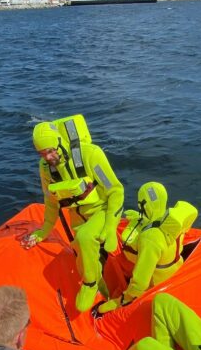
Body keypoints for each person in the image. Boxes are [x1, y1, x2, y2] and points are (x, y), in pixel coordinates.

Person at [20, 117, 124, 312]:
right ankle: (105, 293)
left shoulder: (91, 154)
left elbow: (116, 192)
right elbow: (50, 201)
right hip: (77, 218)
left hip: (102, 210)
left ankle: (90, 284)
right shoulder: (45, 168)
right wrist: (43, 231)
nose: (48, 157)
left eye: (50, 151)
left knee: (85, 239)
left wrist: (110, 226)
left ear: (60, 142)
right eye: (42, 153)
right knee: (84, 255)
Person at [96, 182, 197, 315]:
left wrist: (123, 300)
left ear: (143, 205)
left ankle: (105, 294)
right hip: (174, 272)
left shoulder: (150, 238)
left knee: (112, 261)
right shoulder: (170, 224)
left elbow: (140, 282)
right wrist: (141, 220)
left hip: (155, 284)